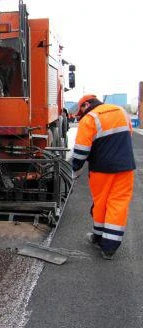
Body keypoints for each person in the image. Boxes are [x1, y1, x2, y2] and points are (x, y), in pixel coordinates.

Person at [71, 94, 136, 260]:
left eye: (80, 112)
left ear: (86, 104)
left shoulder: (90, 118)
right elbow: (128, 136)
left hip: (101, 169)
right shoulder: (121, 111)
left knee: (101, 202)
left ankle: (98, 237)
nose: (81, 116)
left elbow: (81, 151)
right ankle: (109, 248)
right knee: (118, 204)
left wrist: (75, 169)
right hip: (125, 167)